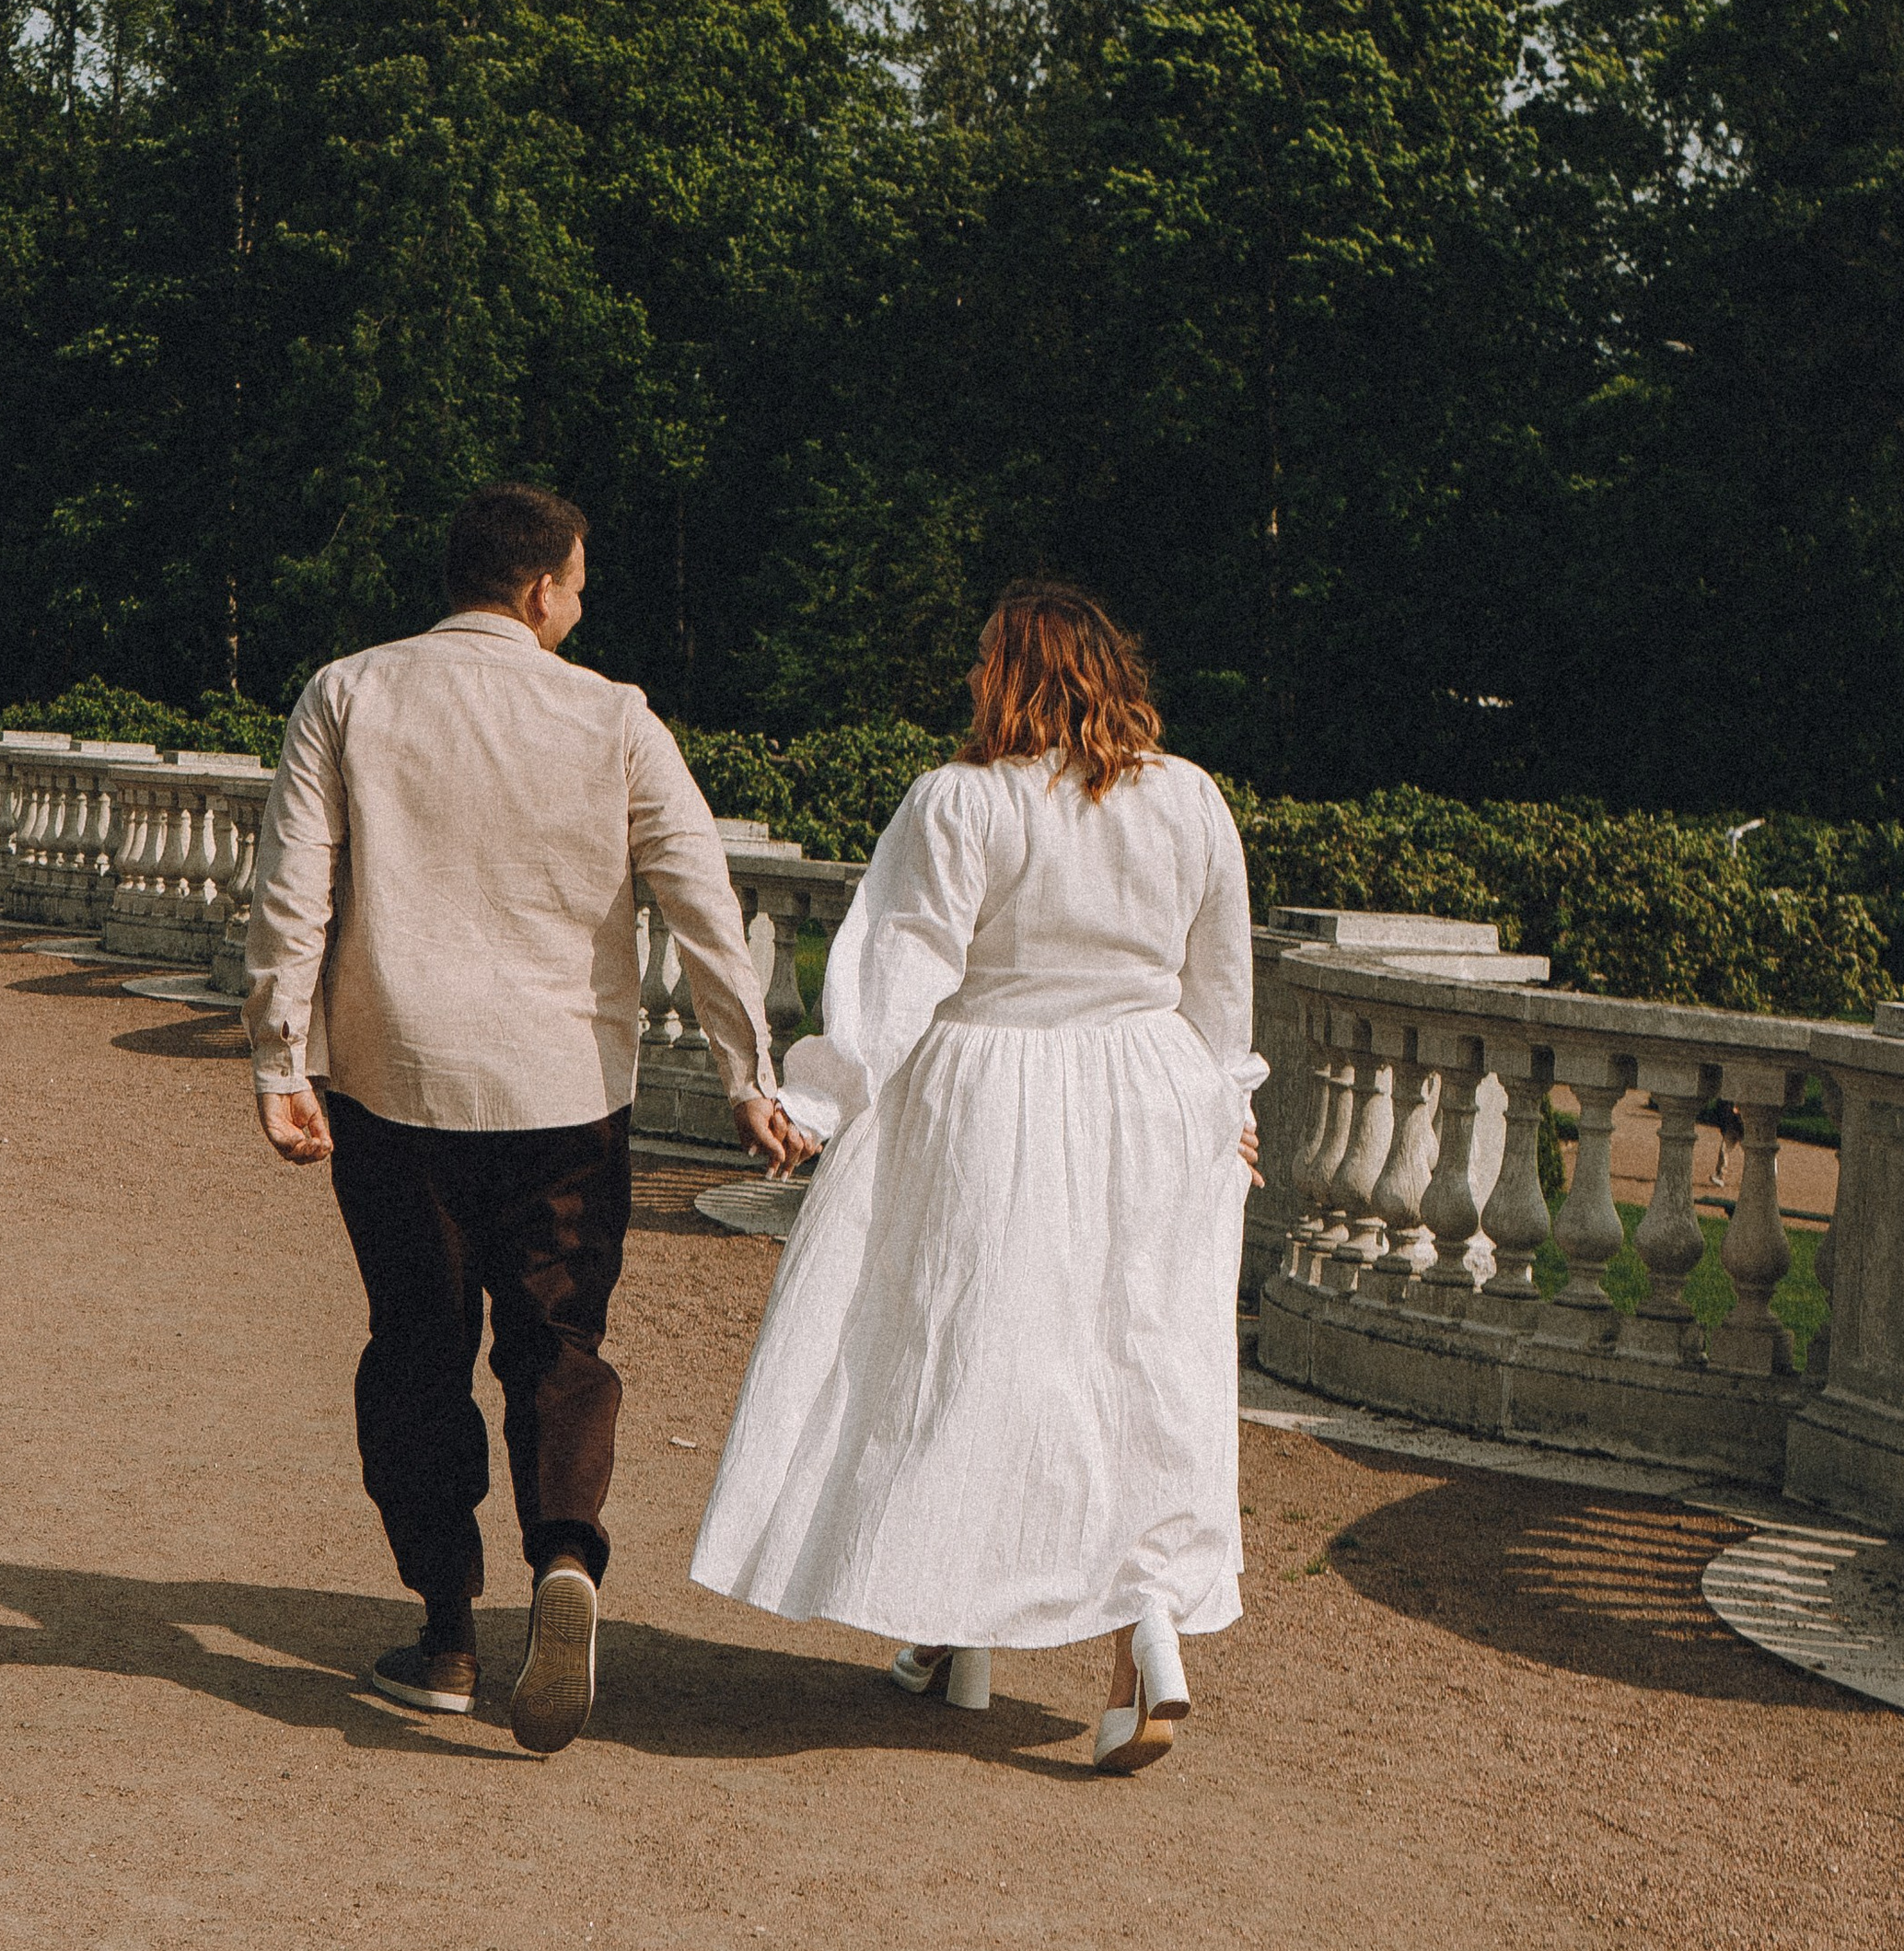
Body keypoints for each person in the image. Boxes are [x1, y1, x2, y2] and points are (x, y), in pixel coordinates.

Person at [245, 481, 805, 1752]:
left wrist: (282, 1058)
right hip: (566, 1092)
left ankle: (446, 1634)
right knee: (561, 1344)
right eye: (581, 580)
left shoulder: (348, 693)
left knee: (417, 1349)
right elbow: (702, 902)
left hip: (399, 1085)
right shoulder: (612, 716)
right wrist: (746, 1074)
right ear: (543, 588)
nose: (583, 600)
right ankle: (567, 1559)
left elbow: (294, 895)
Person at [691, 582, 1264, 1771]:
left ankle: (961, 1621)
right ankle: (1137, 1627)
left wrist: (814, 1102)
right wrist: (1227, 1102)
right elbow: (1221, 980)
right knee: (1138, 1361)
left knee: (965, 1356)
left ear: (1009, 674)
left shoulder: (959, 802)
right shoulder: (1192, 797)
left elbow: (899, 967)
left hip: (990, 1095)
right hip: (1151, 1094)